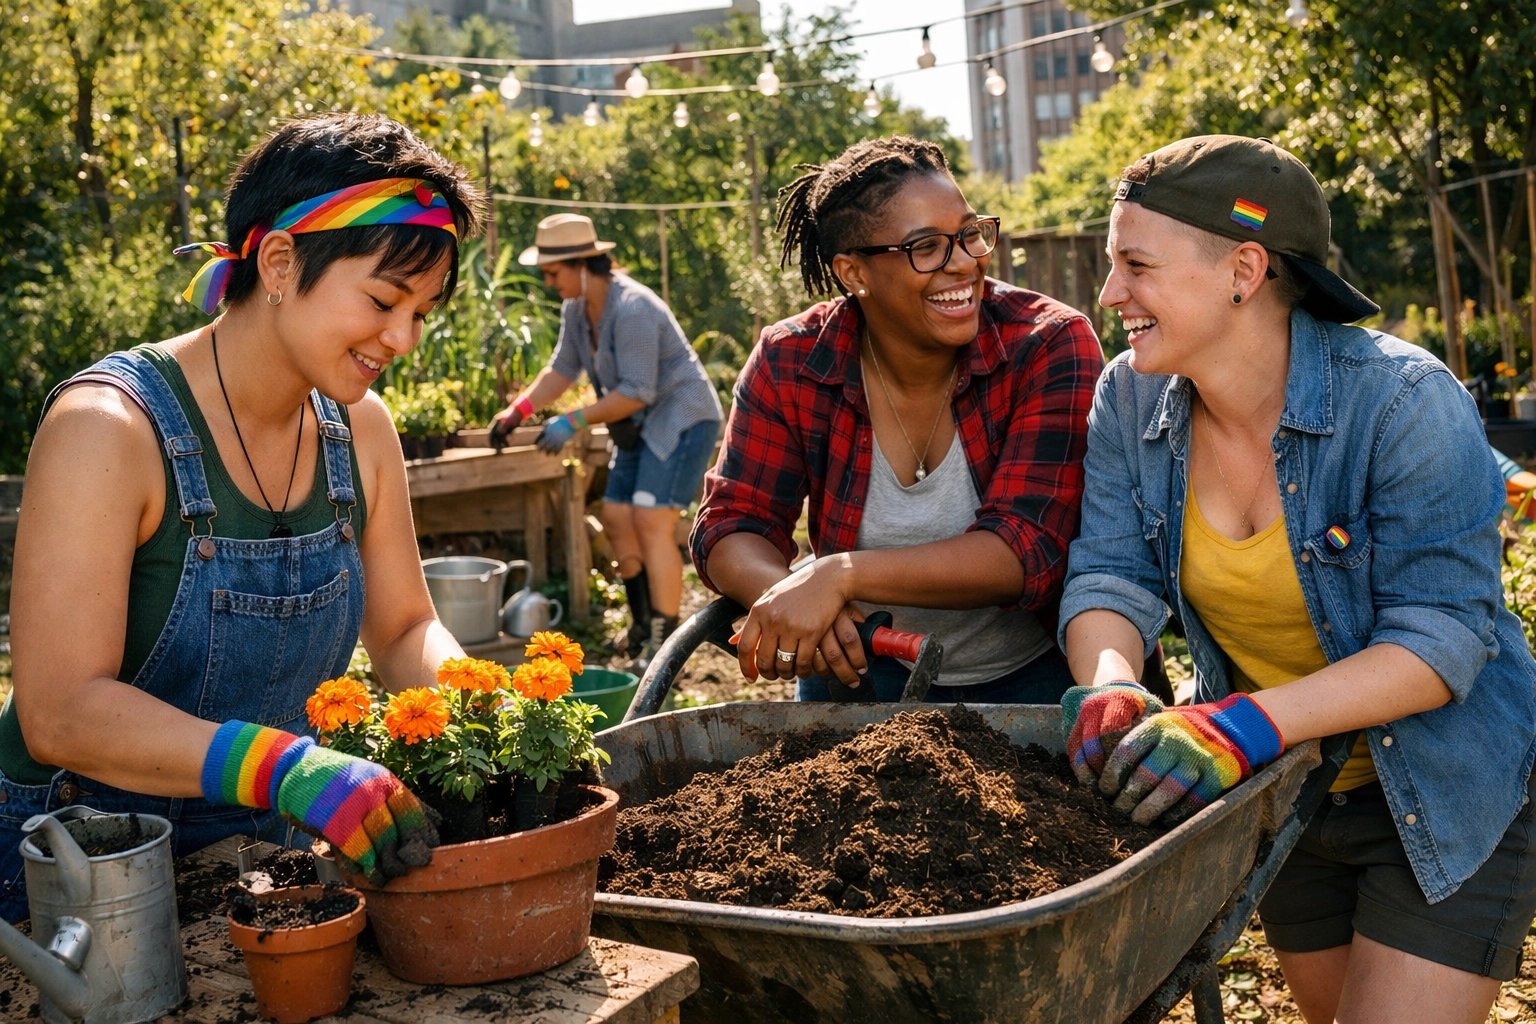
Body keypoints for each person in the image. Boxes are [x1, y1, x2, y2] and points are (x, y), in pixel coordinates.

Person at [1058, 135, 1536, 1023]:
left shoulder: (1403, 404)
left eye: (1135, 265)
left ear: (1243, 270)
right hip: (1288, 787)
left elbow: (1441, 641)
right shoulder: (1130, 396)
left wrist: (1243, 724)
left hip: (1443, 783)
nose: (1111, 293)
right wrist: (1114, 684)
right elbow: (1110, 574)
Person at [2, 113, 483, 921]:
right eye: (383, 299)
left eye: (424, 312)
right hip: (80, 866)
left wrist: (486, 710)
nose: (402, 337)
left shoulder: (359, 430)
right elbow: (60, 710)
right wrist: (287, 766)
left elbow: (401, 629)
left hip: (263, 851)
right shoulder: (109, 428)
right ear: (281, 262)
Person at [690, 136, 1104, 702]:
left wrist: (838, 575)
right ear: (852, 272)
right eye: (926, 247)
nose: (964, 262)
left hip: (1030, 679)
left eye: (969, 234)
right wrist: (790, 593)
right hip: (856, 673)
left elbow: (1024, 548)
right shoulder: (794, 360)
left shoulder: (1045, 343)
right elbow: (732, 522)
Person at [490, 214, 722, 660]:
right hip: (636, 426)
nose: (548, 280)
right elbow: (562, 368)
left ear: (583, 264)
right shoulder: (577, 309)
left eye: (553, 272)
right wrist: (517, 411)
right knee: (617, 518)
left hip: (681, 418)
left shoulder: (633, 307)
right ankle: (640, 623)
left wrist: (573, 422)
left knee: (651, 524)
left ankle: (663, 644)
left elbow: (638, 390)